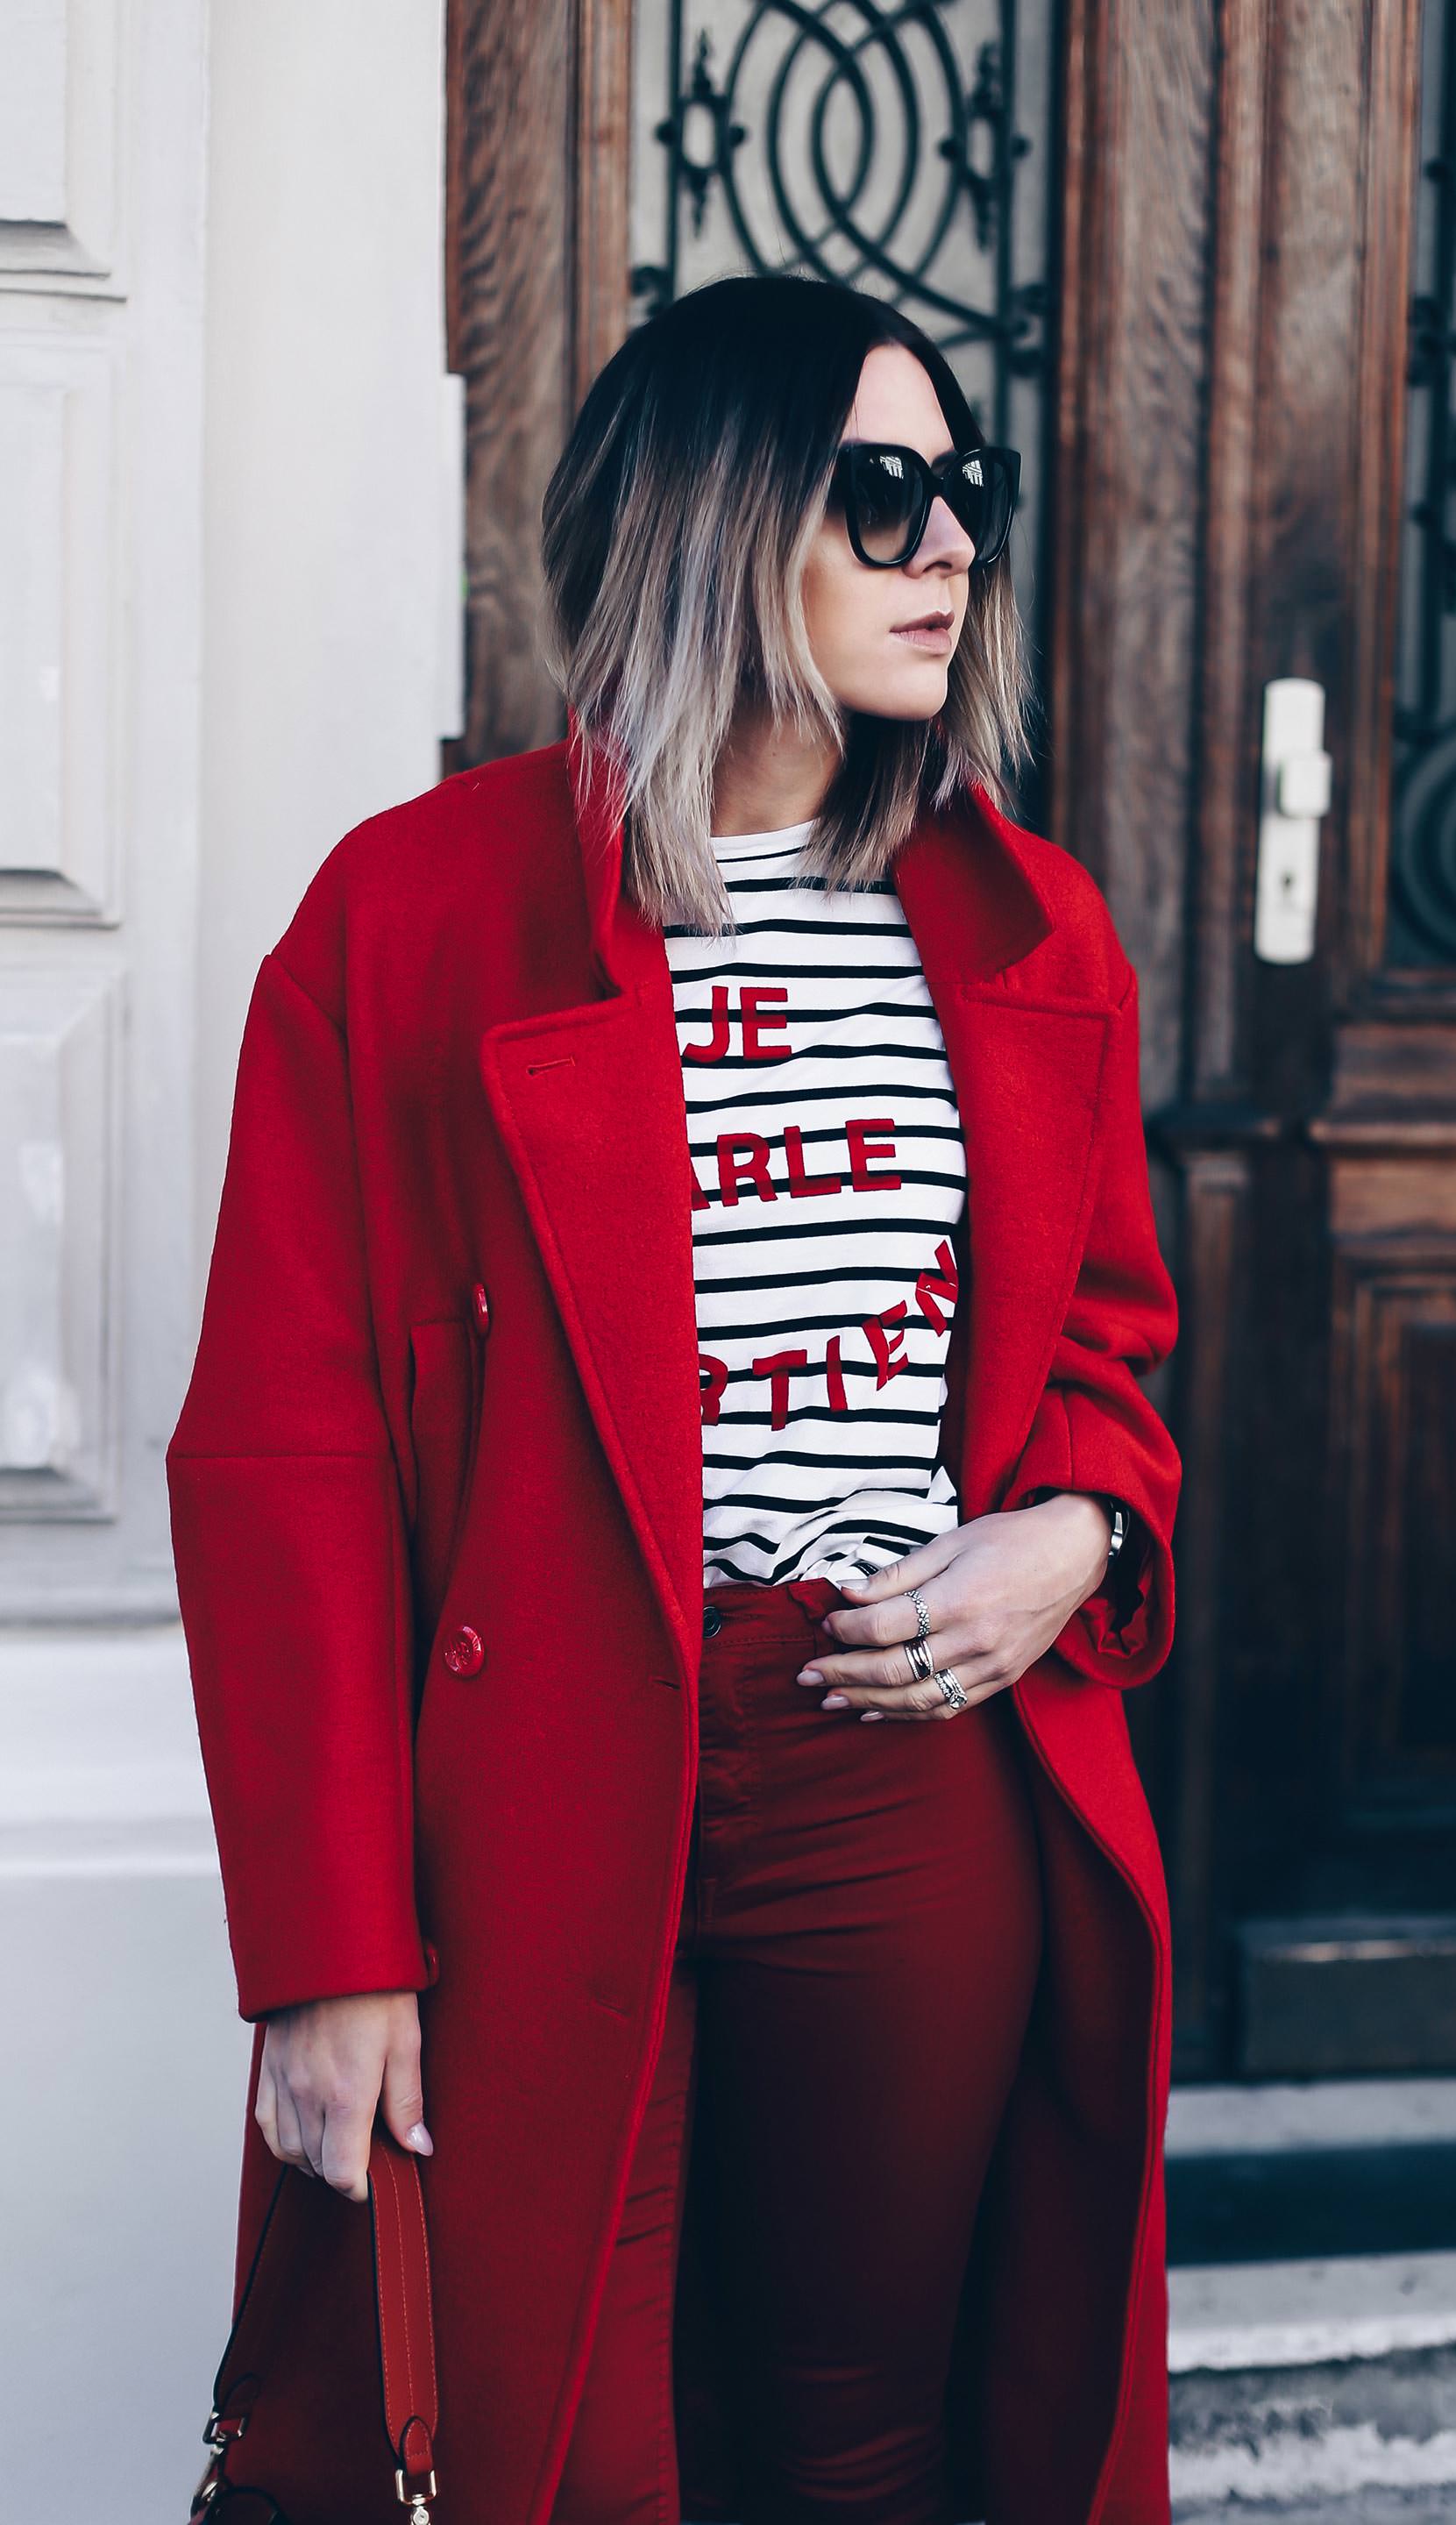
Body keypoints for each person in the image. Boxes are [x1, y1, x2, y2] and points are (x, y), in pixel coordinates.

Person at [167, 272, 1182, 2525]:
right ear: (724, 515)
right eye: (882, 493)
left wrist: (1076, 1540)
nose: (950, 550)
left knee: (854, 2447)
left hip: (897, 1770)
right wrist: (327, 1952)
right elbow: (284, 1446)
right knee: (547, 2448)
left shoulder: (1033, 933)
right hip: (541, 1788)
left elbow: (1107, 1355)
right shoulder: (418, 917)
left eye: (963, 498)